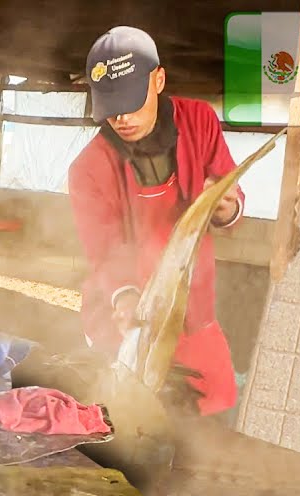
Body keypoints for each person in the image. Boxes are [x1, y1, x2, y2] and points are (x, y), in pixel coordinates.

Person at [69, 27, 244, 417]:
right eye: (111, 105)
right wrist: (127, 297)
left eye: (131, 101)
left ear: (158, 79)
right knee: (132, 417)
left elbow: (230, 192)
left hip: (191, 306)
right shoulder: (88, 169)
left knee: (216, 402)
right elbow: (105, 250)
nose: (122, 117)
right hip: (126, 318)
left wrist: (226, 207)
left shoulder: (199, 120)